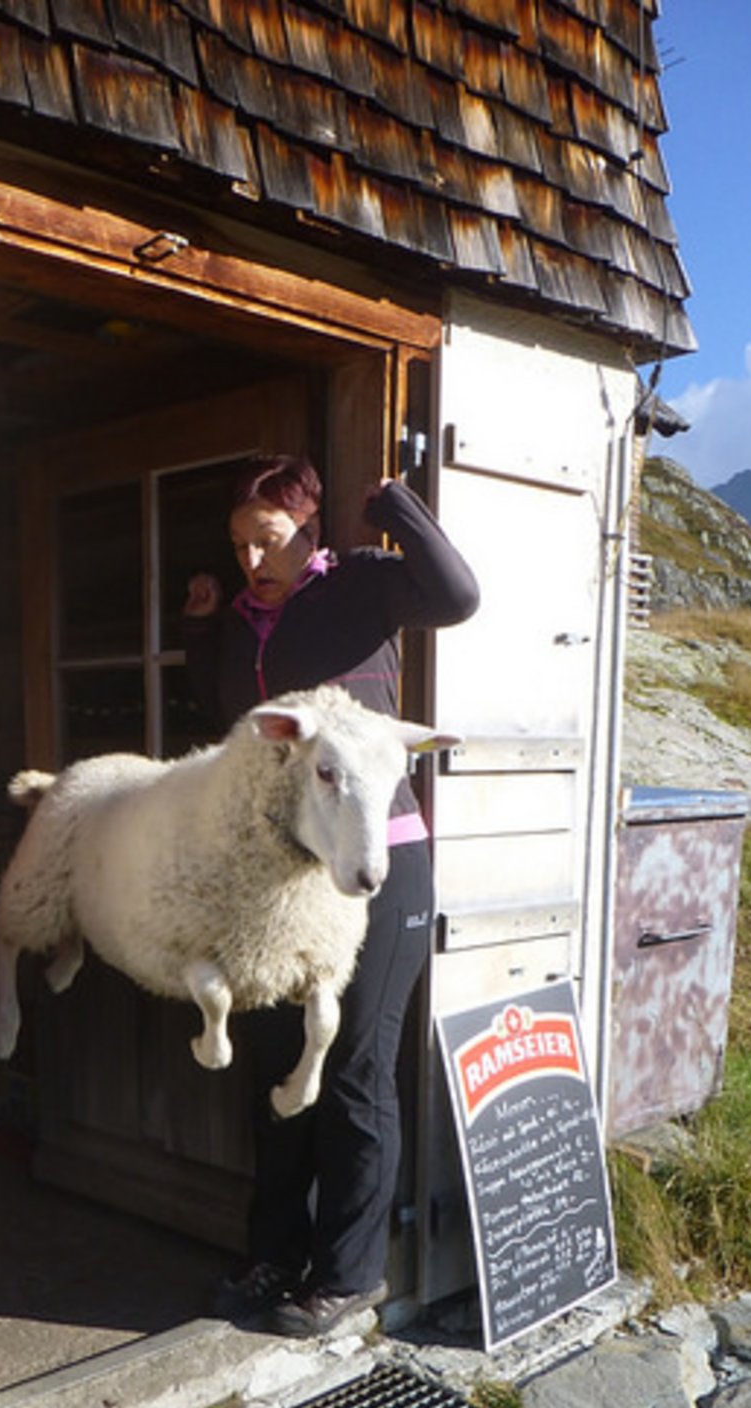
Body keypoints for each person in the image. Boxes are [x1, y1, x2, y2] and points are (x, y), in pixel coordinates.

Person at [182, 454, 479, 1337]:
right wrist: (204, 631)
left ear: (309, 533)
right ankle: (275, 1253)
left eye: (266, 540)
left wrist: (394, 502)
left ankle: (347, 1273)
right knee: (279, 1059)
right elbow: (224, 716)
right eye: (238, 543)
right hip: (282, 878)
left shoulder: (361, 586)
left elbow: (459, 596)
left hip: (382, 860)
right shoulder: (241, 617)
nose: (250, 561)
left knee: (352, 1065)